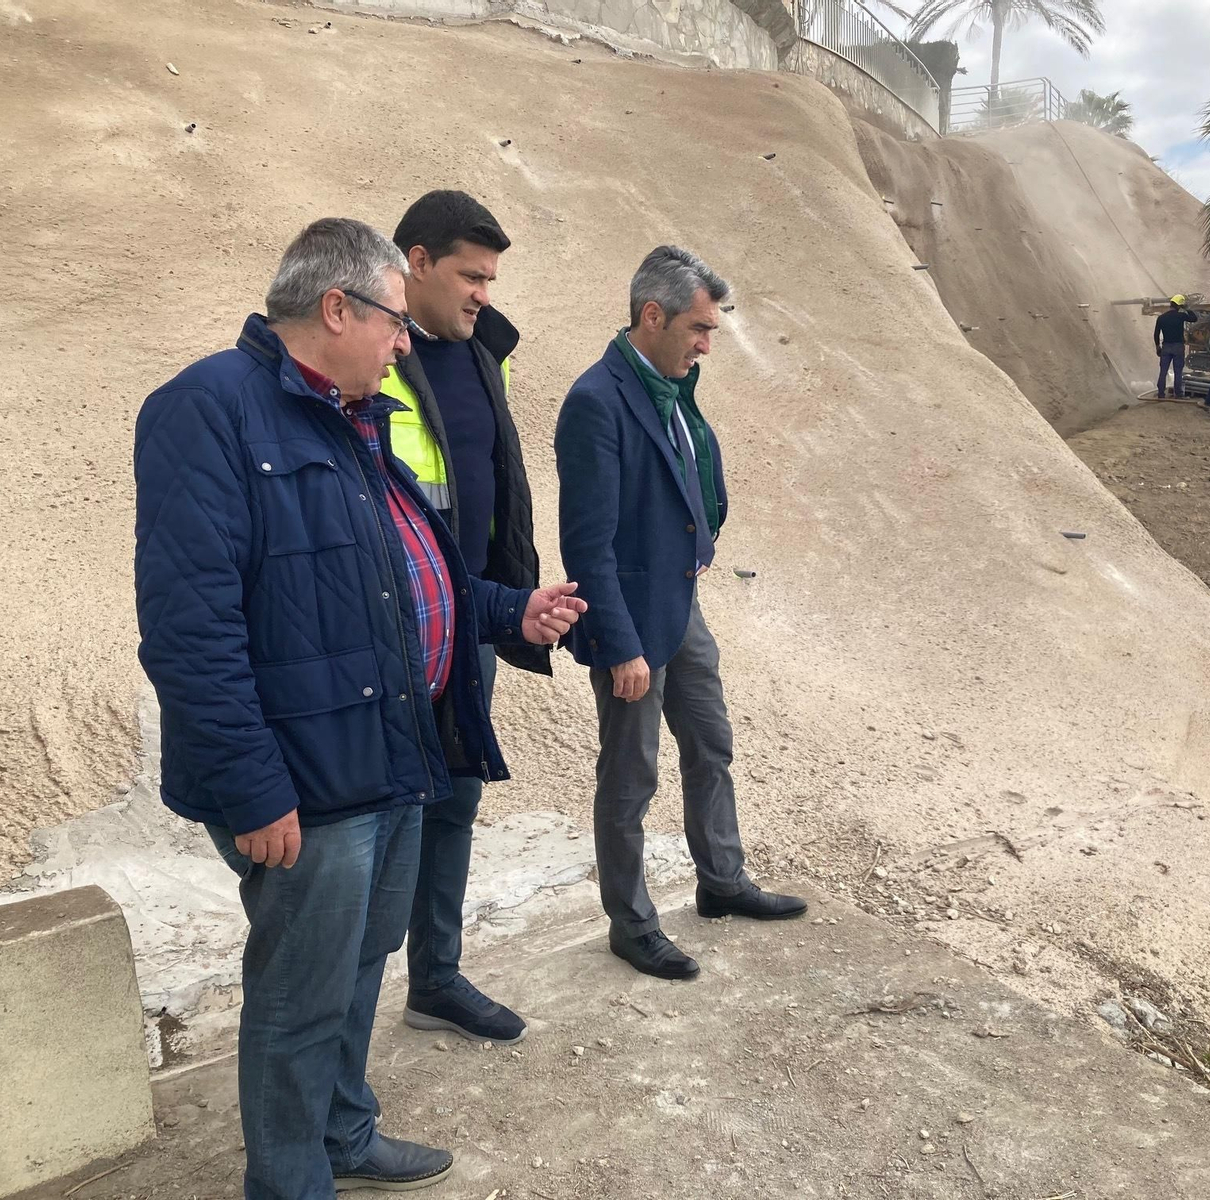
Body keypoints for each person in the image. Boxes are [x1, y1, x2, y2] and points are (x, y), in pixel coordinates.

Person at [134, 217, 586, 1199]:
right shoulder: (207, 411)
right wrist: (253, 791)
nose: (404, 344)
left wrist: (515, 608)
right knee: (300, 994)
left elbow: (408, 579)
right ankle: (291, 1180)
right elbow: (189, 635)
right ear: (336, 308)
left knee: (362, 960)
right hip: (305, 777)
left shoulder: (352, 419)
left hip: (389, 750)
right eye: (392, 323)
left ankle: (343, 1130)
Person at [555, 245, 806, 982]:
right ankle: (631, 925)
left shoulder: (673, 384)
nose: (706, 344)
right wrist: (621, 646)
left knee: (711, 744)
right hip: (631, 621)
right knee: (630, 777)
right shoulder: (595, 402)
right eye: (698, 327)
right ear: (652, 315)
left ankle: (721, 883)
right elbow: (587, 544)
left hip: (681, 604)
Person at [383, 191, 543, 1046]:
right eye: (469, 276)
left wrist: (514, 594)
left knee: (456, 795)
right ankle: (338, 1028)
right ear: (415, 262)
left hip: (470, 616)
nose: (484, 293)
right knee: (383, 812)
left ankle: (435, 977)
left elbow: (495, 473)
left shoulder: (487, 351)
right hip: (390, 628)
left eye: (490, 278)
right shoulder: (369, 354)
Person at [1153, 295, 1201, 399]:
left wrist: (1157, 347)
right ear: (1180, 306)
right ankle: (1178, 394)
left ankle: (1161, 394)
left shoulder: (1161, 318)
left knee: (1163, 371)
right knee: (1178, 371)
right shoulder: (1181, 316)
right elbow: (1194, 318)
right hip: (1178, 347)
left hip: (1166, 346)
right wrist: (1187, 308)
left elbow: (1156, 334)